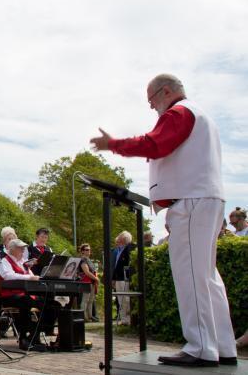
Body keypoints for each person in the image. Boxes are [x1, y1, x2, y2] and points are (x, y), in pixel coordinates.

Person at [90, 73, 237, 367]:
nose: (152, 108)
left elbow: (155, 144)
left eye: (151, 101)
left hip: (192, 200)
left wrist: (114, 144)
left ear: (165, 91)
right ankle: (223, 346)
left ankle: (200, 348)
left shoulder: (179, 112)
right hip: (202, 198)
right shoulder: (199, 115)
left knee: (191, 276)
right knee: (207, 277)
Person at [0, 238, 57, 351]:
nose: (23, 251)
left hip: (24, 295)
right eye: (20, 248)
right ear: (12, 249)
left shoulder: (23, 263)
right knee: (26, 301)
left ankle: (35, 335)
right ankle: (24, 337)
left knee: (51, 304)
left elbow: (32, 276)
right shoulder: (4, 261)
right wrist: (30, 277)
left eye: (23, 248)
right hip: (9, 296)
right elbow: (8, 276)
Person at [111, 231, 133, 325]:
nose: (118, 240)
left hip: (124, 278)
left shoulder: (128, 249)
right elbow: (116, 265)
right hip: (118, 278)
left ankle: (127, 320)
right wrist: (113, 278)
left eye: (120, 238)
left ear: (124, 239)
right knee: (120, 299)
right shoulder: (119, 250)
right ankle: (123, 319)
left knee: (126, 299)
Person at [77, 243, 98, 322]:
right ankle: (84, 316)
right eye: (86, 250)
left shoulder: (88, 259)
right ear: (82, 251)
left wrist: (95, 279)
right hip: (86, 282)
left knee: (91, 300)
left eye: (89, 249)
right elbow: (87, 272)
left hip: (92, 281)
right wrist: (96, 279)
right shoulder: (83, 260)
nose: (88, 251)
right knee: (85, 300)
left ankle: (90, 316)